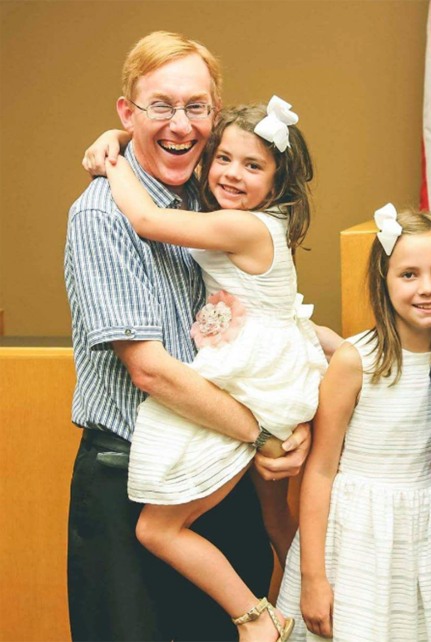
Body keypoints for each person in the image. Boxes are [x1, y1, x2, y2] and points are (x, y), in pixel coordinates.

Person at [65, 32, 313, 642]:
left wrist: (285, 419)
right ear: (128, 111)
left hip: (215, 469)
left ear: (214, 116)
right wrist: (262, 432)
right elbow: (149, 370)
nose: (181, 124)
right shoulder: (104, 215)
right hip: (134, 483)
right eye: (160, 106)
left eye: (196, 107)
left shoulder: (206, 203)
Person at [276, 205, 431, 641]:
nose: (427, 288)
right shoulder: (356, 360)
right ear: (384, 280)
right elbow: (321, 470)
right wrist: (313, 578)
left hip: (421, 531)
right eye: (409, 275)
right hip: (355, 535)